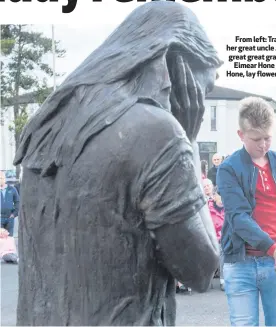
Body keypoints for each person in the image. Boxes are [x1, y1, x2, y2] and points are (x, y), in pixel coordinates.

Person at [12, 2, 222, 325]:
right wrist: (189, 144)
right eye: (202, 89)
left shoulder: (50, 124)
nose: (202, 103)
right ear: (177, 72)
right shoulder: (160, 134)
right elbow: (201, 269)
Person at [216, 97, 276, 326]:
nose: (263, 145)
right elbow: (239, 218)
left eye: (268, 138)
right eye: (256, 139)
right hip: (240, 263)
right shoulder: (228, 169)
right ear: (240, 135)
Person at [0, 171, 20, 236]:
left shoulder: (12, 189)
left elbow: (17, 202)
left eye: (1, 178)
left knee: (9, 239)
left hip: (10, 219)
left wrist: (14, 214)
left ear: (4, 179)